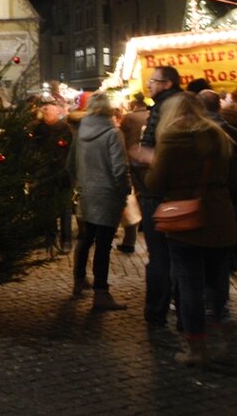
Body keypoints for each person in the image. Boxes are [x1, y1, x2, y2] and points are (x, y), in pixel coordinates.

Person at [146, 92, 237, 366]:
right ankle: (218, 337)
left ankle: (196, 348)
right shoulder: (220, 136)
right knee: (217, 284)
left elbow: (155, 184)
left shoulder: (172, 139)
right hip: (220, 216)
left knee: (189, 286)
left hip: (186, 221)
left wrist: (151, 162)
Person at [129, 66, 182, 326]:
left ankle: (156, 311)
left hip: (159, 194)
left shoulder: (163, 109)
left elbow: (156, 154)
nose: (149, 84)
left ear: (168, 83)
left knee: (160, 255)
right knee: (180, 255)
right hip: (179, 196)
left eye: (153, 80)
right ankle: (186, 314)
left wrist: (144, 158)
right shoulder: (169, 108)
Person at [70, 92, 129, 311]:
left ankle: (79, 280)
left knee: (86, 238)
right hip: (107, 194)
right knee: (103, 245)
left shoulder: (79, 132)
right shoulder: (113, 133)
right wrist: (124, 190)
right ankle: (101, 293)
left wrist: (80, 183)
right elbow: (119, 168)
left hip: (86, 193)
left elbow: (70, 164)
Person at [30, 99, 74, 252]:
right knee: (47, 205)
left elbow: (71, 151)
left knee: (65, 208)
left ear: (58, 111)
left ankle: (66, 240)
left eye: (49, 109)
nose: (46, 112)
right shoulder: (38, 129)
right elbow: (32, 148)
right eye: (44, 110)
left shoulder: (66, 129)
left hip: (63, 173)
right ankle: (50, 237)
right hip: (45, 173)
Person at [117, 94, 149, 253]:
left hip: (133, 158)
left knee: (134, 198)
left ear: (134, 105)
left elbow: (122, 137)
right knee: (145, 194)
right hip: (147, 159)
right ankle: (145, 223)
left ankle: (131, 236)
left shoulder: (129, 118)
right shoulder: (150, 115)